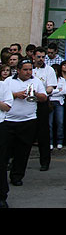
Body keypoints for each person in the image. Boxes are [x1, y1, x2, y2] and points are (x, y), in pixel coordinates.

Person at [5, 58, 48, 187]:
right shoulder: (8, 81)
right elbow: (2, 97)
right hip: (9, 120)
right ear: (18, 70)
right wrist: (16, 95)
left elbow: (44, 97)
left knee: (23, 151)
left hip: (28, 120)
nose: (28, 72)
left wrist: (34, 93)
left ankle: (17, 176)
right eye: (25, 70)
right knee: (5, 151)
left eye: (30, 69)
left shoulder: (36, 81)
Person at [32, 47, 57, 171]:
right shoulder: (29, 69)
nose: (41, 59)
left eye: (43, 57)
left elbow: (50, 87)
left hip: (42, 102)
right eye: (39, 57)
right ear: (33, 57)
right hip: (28, 103)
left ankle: (45, 161)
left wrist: (40, 92)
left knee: (43, 133)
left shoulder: (49, 70)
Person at [0, 78, 13, 208]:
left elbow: (7, 107)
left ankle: (2, 196)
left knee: (1, 163)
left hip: (0, 125)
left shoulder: (3, 86)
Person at [48, 63, 66, 149]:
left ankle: (60, 141)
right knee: (50, 123)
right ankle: (50, 142)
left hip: (59, 102)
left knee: (60, 122)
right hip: (50, 102)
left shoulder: (62, 79)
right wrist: (57, 91)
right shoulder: (49, 80)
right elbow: (47, 91)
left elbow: (64, 91)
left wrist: (53, 91)